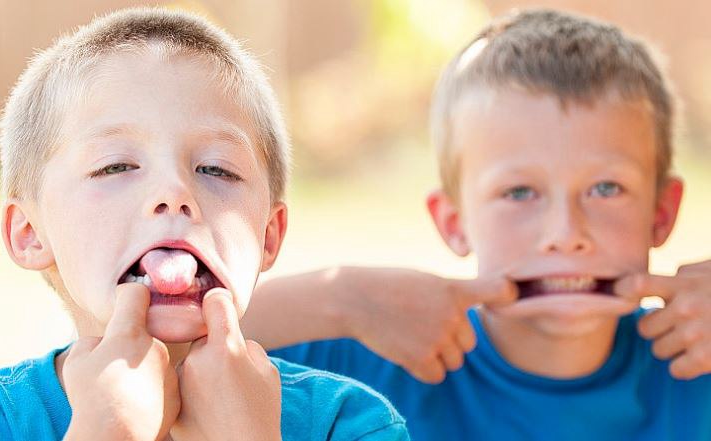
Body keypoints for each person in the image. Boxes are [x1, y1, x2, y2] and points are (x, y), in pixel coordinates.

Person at [247, 9, 711, 440]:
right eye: (519, 193)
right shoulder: (372, 361)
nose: (566, 235)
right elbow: (182, 338)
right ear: (454, 223)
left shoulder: (698, 359)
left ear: (661, 213)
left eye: (606, 189)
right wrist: (344, 299)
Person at [0, 8, 409, 441]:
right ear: (29, 233)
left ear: (268, 236)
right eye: (116, 165)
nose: (175, 193)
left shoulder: (349, 424)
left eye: (216, 169)